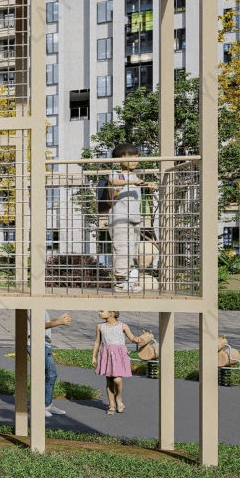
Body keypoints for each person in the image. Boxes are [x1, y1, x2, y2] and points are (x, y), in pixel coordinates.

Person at [107, 143, 145, 293]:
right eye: (129, 158)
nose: (134, 161)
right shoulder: (117, 173)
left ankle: (128, 280)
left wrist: (148, 184)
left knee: (132, 249)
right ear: (119, 161)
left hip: (134, 218)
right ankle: (120, 282)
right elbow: (113, 182)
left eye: (136, 157)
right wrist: (131, 181)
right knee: (123, 249)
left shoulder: (135, 175)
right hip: (120, 218)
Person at [93, 309, 147, 414]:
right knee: (109, 380)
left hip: (119, 354)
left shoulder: (123, 326)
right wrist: (94, 357)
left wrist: (138, 340)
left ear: (111, 313)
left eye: (102, 311)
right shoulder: (100, 326)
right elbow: (97, 342)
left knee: (117, 380)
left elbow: (132, 338)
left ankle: (118, 398)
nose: (99, 312)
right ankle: (111, 404)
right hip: (106, 354)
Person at [41, 311, 75, 416]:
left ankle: (47, 405)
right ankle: (40, 407)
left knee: (52, 375)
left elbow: (45, 322)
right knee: (42, 376)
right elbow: (35, 325)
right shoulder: (32, 307)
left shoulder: (43, 309)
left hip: (45, 344)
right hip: (37, 343)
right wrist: (59, 322)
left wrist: (57, 320)